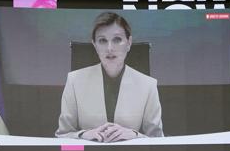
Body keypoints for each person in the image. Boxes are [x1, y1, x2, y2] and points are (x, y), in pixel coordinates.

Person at [56, 11, 164, 141]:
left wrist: (135, 135)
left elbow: (157, 140)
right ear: (94, 45)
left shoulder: (148, 85)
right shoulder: (74, 80)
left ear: (129, 43)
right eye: (102, 40)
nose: (109, 48)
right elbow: (62, 136)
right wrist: (83, 135)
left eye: (117, 39)